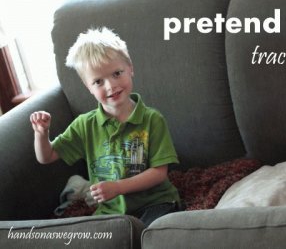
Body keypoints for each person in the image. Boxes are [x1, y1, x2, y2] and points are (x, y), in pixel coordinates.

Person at [30, 27, 180, 226]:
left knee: (151, 235)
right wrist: (42, 134)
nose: (111, 86)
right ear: (88, 86)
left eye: (117, 73)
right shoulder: (85, 125)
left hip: (157, 203)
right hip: (110, 212)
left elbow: (159, 173)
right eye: (98, 81)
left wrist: (118, 187)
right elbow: (46, 156)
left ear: (130, 68)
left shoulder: (152, 119)